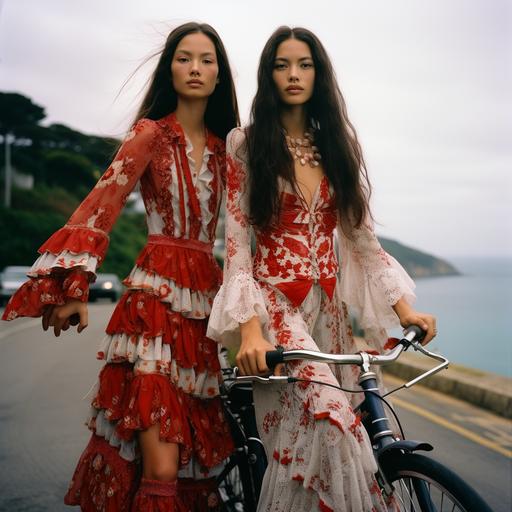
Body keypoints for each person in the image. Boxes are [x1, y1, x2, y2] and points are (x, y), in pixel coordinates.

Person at [3, 22, 239, 512]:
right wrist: (74, 287)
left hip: (208, 311)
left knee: (203, 467)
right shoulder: (150, 134)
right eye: (184, 58)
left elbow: (252, 228)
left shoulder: (230, 149)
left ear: (220, 74)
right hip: (152, 307)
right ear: (169, 69)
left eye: (206, 59)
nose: (195, 68)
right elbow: (102, 203)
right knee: (161, 470)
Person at [207, 26, 437, 512]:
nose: (293, 75)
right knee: (333, 420)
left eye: (304, 64)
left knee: (343, 429)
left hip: (329, 314)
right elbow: (238, 246)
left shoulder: (335, 143)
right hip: (273, 307)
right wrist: (249, 332)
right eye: (282, 65)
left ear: (319, 74)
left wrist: (405, 309)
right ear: (268, 75)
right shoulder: (245, 144)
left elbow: (360, 237)